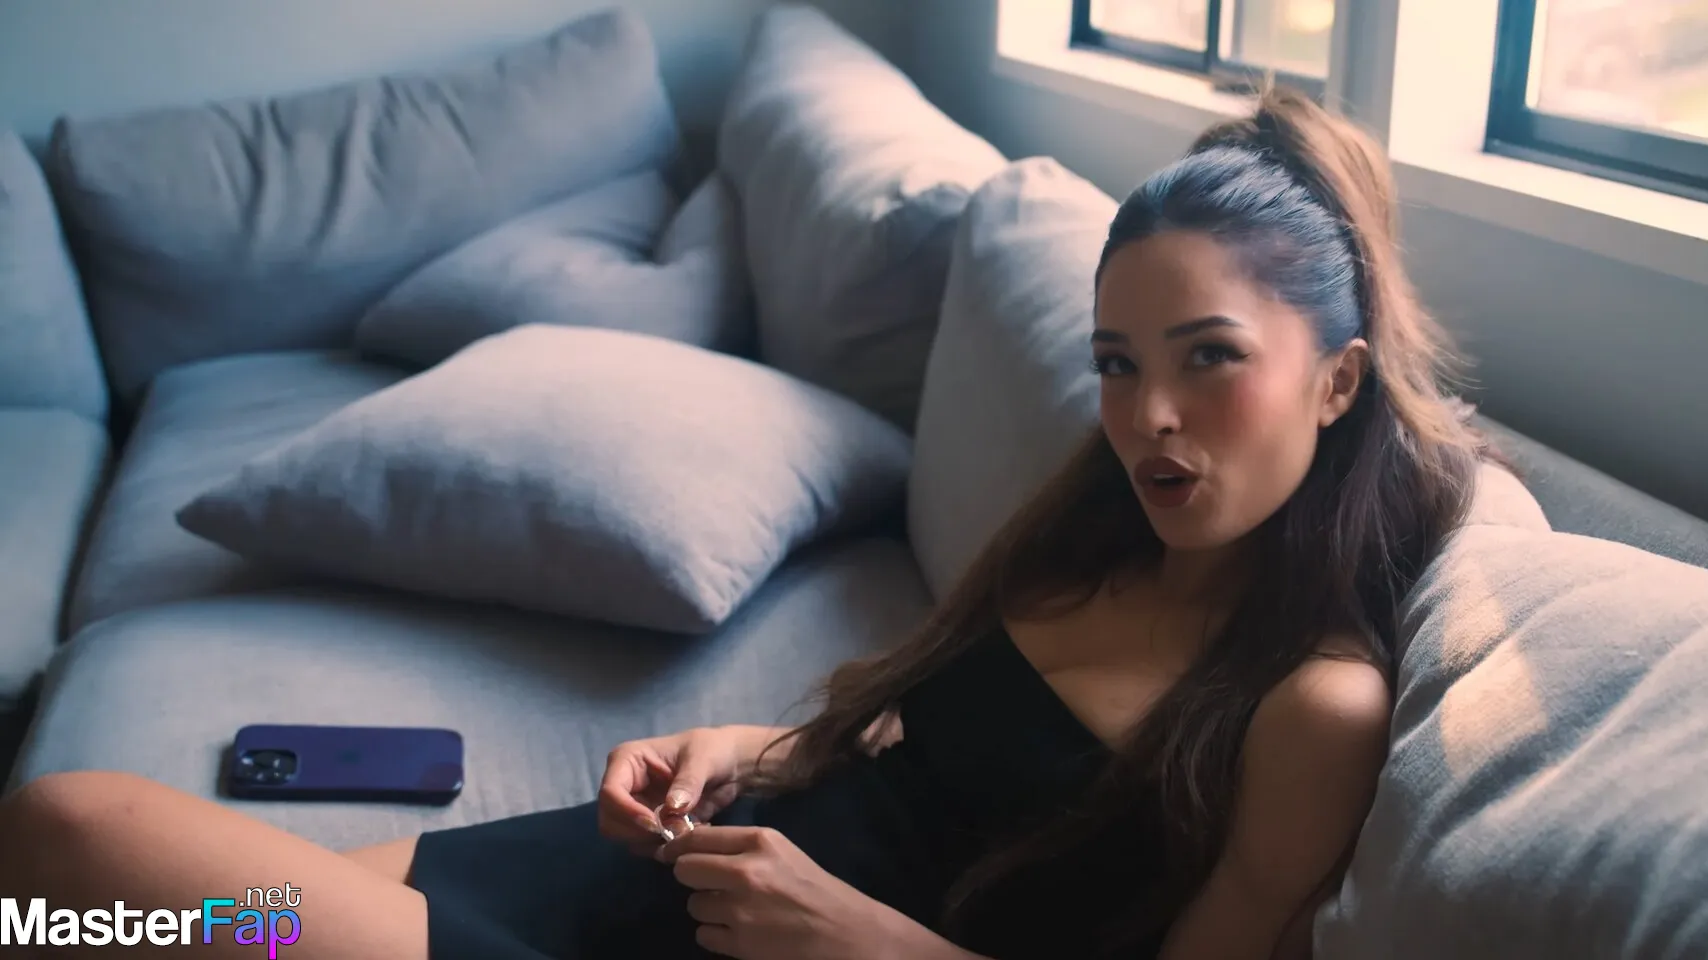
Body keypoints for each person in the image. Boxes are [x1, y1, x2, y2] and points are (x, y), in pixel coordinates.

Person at [0, 84, 1499, 959]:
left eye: (1209, 359)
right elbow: (925, 756)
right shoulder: (1099, 533)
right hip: (654, 877)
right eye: (1116, 363)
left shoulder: (1311, 703)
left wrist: (865, 942)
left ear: (1338, 379)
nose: (1147, 415)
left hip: (751, 946)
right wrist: (754, 751)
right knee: (90, 916)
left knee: (74, 840)